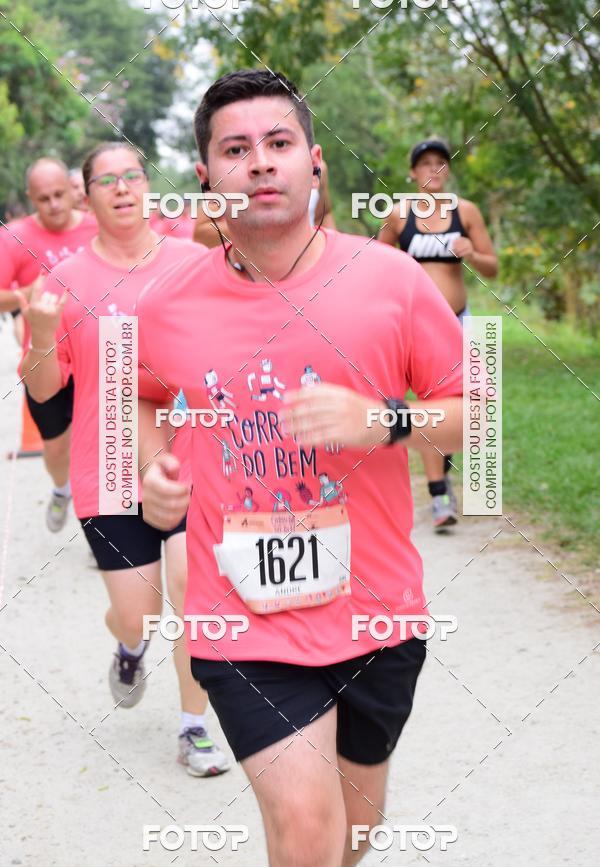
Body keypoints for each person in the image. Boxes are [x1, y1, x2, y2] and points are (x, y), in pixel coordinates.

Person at [136, 69, 463, 865]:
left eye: (278, 144)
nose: (260, 163)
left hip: (378, 614)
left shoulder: (391, 280)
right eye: (236, 148)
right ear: (207, 176)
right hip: (240, 619)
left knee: (352, 834)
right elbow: (138, 398)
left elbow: (477, 414)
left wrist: (380, 420)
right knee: (306, 828)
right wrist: (153, 472)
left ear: (314, 161)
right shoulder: (168, 302)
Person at [16, 142, 229, 779]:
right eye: (106, 181)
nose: (122, 188)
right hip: (108, 457)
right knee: (141, 609)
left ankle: (194, 728)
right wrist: (47, 334)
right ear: (89, 197)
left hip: (190, 451)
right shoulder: (64, 282)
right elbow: (46, 386)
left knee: (195, 592)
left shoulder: (195, 263)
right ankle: (131, 644)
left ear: (147, 185)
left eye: (132, 175)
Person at [378, 138, 498, 531]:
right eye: (425, 163)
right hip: (417, 325)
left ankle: (452, 477)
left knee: (468, 406)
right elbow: (375, 265)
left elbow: (493, 266)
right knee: (427, 403)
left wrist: (472, 254)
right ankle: (439, 495)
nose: (433, 169)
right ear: (412, 172)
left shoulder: (467, 212)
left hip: (459, 320)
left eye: (440, 163)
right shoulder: (398, 214)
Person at [0, 157, 97, 530]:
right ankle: (61, 489)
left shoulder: (97, 227)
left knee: (108, 444)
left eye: (60, 194)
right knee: (57, 448)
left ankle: (109, 530)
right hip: (45, 359)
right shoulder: (13, 237)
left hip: (99, 355)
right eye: (44, 199)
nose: (55, 205)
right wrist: (28, 293)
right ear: (30, 198)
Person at [192, 154, 335, 248]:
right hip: (249, 272)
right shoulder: (235, 169)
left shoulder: (317, 166)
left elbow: (324, 215)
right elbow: (201, 233)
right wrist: (264, 231)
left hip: (304, 270)